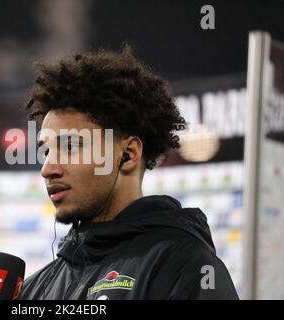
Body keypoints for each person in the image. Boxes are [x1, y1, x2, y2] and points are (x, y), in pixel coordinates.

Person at [19, 45, 239, 300]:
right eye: (46, 152)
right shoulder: (35, 288)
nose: (48, 169)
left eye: (70, 147)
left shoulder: (185, 266)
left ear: (128, 154)